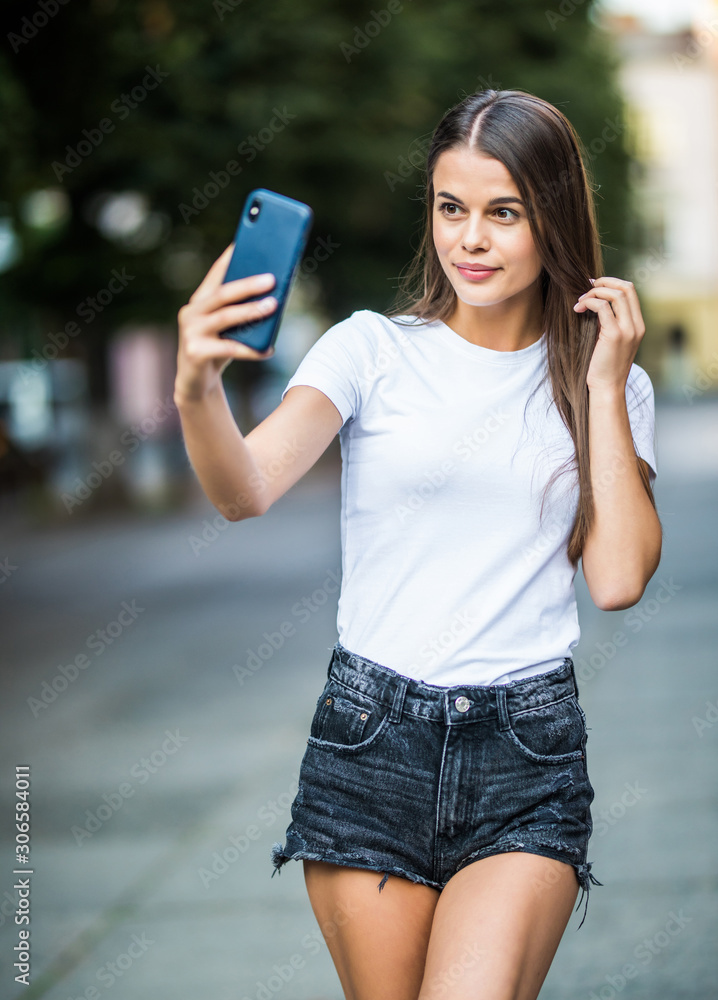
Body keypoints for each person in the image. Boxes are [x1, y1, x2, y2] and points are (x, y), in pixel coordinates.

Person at [174, 88, 662, 1000]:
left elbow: (619, 579)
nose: (470, 238)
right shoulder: (370, 351)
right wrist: (197, 388)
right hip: (370, 745)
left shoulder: (607, 386)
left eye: (503, 212)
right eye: (451, 208)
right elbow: (244, 491)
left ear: (551, 217)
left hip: (526, 754)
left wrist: (602, 387)